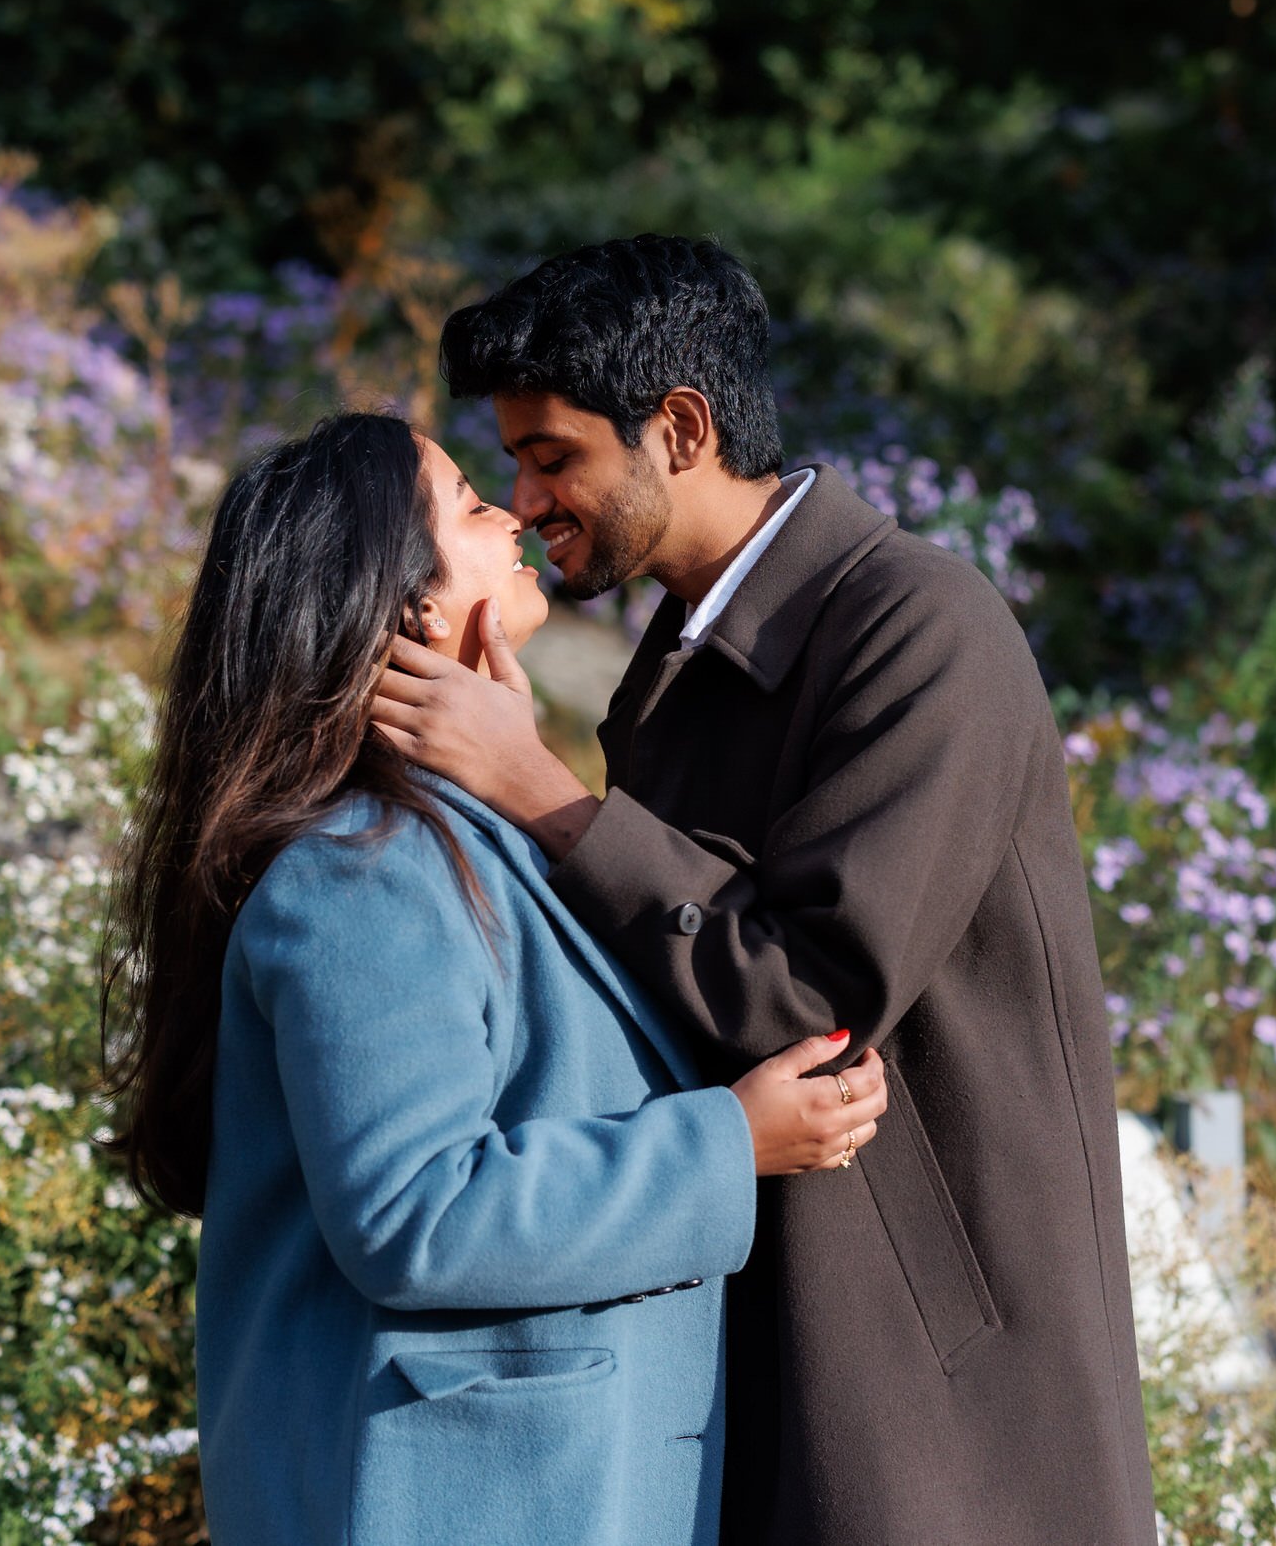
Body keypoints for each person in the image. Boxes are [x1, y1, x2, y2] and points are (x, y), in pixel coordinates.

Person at [372, 238, 1158, 1546]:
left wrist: (544, 792)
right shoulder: (674, 664)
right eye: (509, 461)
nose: (527, 499)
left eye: (553, 455)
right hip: (766, 1330)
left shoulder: (920, 629)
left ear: (679, 428)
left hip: (942, 1403)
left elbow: (812, 990)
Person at [100, 411, 888, 1546]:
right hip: (446, 1494)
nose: (516, 510)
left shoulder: (457, 841)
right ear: (413, 605)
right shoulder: (356, 873)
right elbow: (415, 1210)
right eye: (471, 502)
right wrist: (730, 1140)